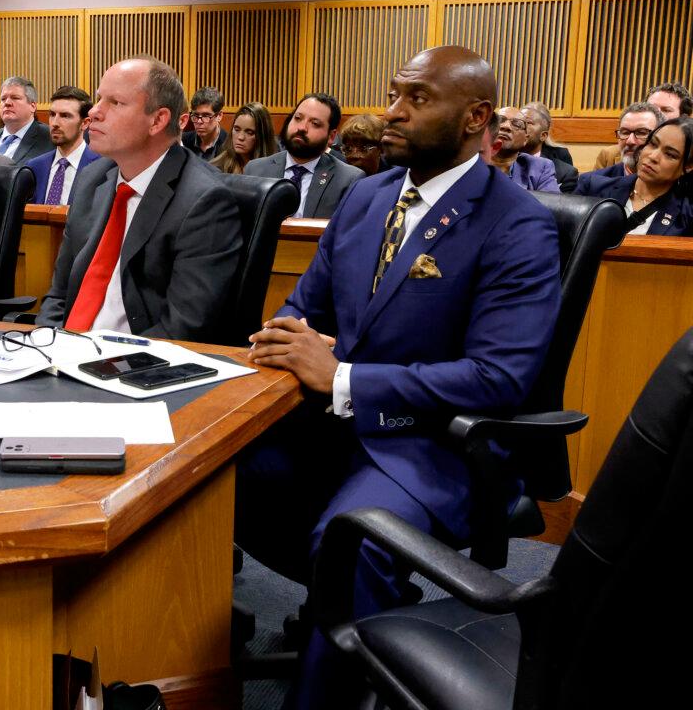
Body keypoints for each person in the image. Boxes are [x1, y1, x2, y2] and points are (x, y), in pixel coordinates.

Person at [235, 45, 561, 709]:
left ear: (475, 117)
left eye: (417, 98)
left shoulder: (517, 222)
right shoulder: (367, 195)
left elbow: (498, 378)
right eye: (394, 94)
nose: (392, 112)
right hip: (331, 426)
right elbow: (308, 305)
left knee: (351, 537)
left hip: (435, 443)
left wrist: (346, 379)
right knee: (204, 476)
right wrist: (283, 337)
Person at [36, 57, 242, 341]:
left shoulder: (204, 201)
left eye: (115, 103)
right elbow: (59, 295)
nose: (94, 112)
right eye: (98, 99)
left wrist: (99, 364)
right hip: (64, 354)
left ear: (158, 120)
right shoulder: (93, 179)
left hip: (133, 365)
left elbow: (183, 328)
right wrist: (46, 345)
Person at [243, 93, 364, 218]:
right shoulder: (255, 170)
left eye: (315, 123)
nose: (302, 127)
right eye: (298, 118)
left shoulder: (348, 180)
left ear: (331, 137)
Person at [577, 117, 693, 236]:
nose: (653, 156)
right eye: (653, 144)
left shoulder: (687, 215)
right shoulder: (592, 188)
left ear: (688, 166)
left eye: (669, 154)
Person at [26, 85, 102, 204]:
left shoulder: (101, 168)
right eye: (52, 114)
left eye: (65, 116)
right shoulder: (34, 167)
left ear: (85, 123)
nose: (55, 123)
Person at [580, 102, 664, 183]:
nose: (630, 141)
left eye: (641, 132)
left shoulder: (672, 183)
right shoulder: (592, 181)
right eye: (625, 132)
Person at [0, 76, 54, 164]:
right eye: (3, 99)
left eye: (15, 98)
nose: (7, 103)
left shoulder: (50, 138)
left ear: (32, 106)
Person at [489, 106, 560, 192]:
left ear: (525, 139)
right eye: (500, 120)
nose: (506, 126)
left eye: (517, 124)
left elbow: (550, 203)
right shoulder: (471, 160)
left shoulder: (540, 168)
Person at [521, 102, 578, 192]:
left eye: (528, 123)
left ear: (543, 135)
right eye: (518, 122)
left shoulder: (564, 169)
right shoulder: (503, 156)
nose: (521, 126)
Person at [209, 101, 277, 175]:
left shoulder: (274, 169)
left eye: (249, 132)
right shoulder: (215, 167)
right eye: (237, 129)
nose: (240, 137)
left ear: (262, 136)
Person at [181, 86, 228, 160]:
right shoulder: (182, 141)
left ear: (219, 116)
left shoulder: (229, 144)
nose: (199, 121)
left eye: (206, 115)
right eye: (196, 115)